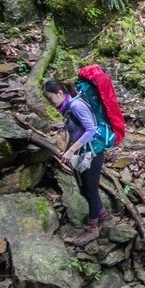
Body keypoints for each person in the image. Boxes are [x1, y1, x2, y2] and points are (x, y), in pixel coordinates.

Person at [43, 78, 110, 246]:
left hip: (93, 153)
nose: (51, 103)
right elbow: (74, 133)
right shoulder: (67, 109)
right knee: (85, 188)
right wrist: (66, 151)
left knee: (90, 190)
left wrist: (71, 151)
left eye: (51, 99)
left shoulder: (76, 106)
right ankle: (104, 217)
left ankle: (92, 227)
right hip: (84, 153)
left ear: (60, 93)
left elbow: (91, 130)